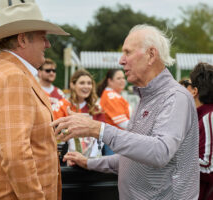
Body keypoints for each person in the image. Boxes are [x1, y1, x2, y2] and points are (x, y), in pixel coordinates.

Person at [51, 24, 200, 199]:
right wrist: (90, 163)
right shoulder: (146, 96)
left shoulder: (175, 97)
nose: (121, 60)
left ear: (151, 55)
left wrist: (99, 129)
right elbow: (131, 160)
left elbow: (160, 152)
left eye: (128, 52)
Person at [0, 1, 69, 200]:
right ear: (22, 40)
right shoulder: (14, 77)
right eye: (43, 38)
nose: (48, 44)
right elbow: (16, 156)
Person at [52, 69, 105, 159]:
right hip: (67, 159)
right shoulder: (62, 106)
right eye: (82, 83)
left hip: (92, 160)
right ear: (72, 85)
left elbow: (101, 135)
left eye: (89, 83)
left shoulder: (97, 108)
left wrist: (91, 158)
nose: (86, 86)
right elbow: (56, 133)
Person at [182, 63, 213, 200]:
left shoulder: (208, 117)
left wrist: (170, 157)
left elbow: (209, 168)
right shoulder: (202, 116)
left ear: (194, 91)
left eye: (188, 83)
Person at [97, 69, 130, 155]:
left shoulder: (113, 94)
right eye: (118, 78)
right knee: (114, 167)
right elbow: (122, 123)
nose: (122, 80)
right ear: (110, 81)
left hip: (114, 139)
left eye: (123, 78)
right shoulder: (111, 96)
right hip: (114, 140)